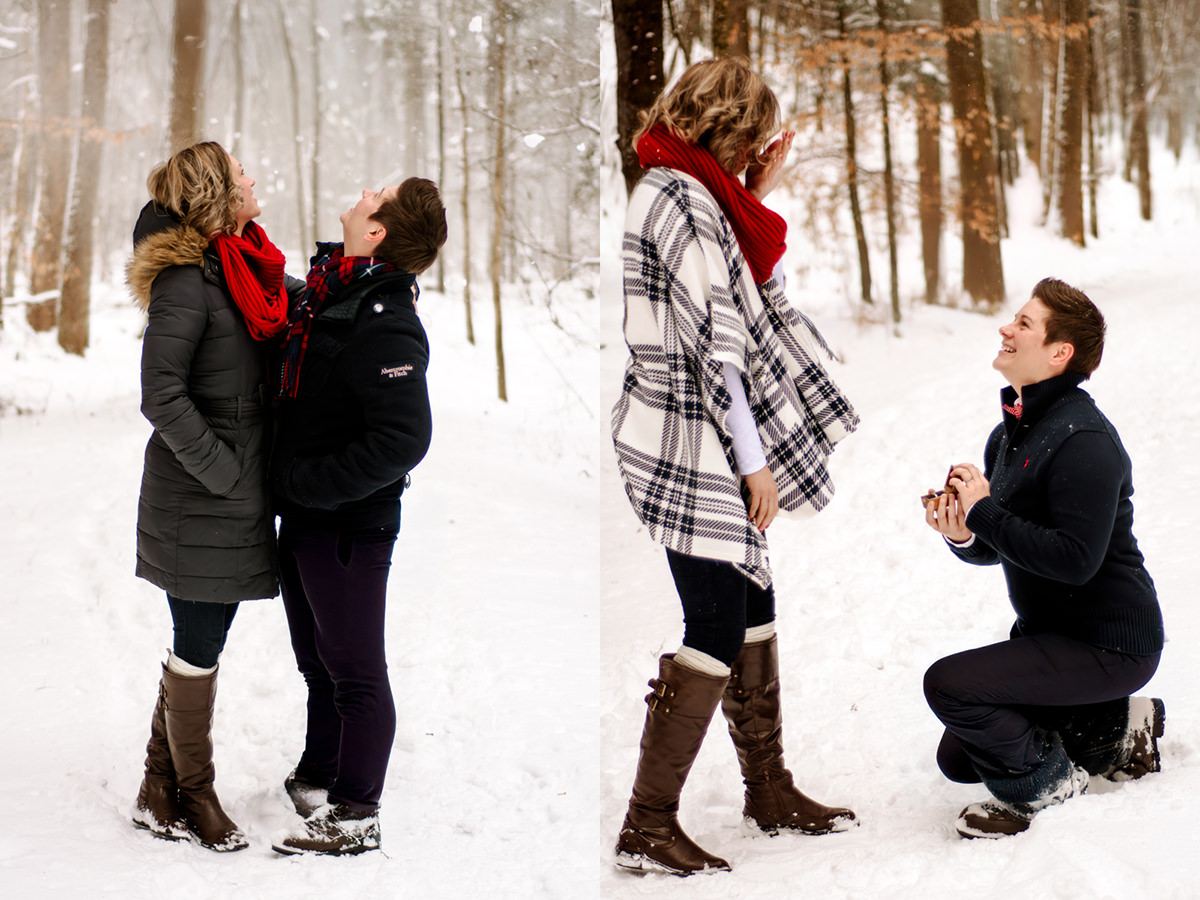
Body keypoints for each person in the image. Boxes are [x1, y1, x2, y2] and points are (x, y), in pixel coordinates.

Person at [610, 58, 861, 876]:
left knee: (752, 599)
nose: (755, 143)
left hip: (702, 430)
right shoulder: (677, 198)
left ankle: (768, 789)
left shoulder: (697, 188)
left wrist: (751, 184)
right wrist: (755, 467)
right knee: (714, 619)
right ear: (725, 127)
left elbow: (747, 282)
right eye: (749, 132)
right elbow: (721, 350)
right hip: (689, 437)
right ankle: (647, 825)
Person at [922, 278, 1166, 839]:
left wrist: (985, 511)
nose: (1007, 329)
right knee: (959, 759)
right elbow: (1004, 543)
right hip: (1049, 635)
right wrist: (964, 533)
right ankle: (1120, 726)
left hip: (1110, 643)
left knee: (951, 688)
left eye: (1024, 324)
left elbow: (1075, 560)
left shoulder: (1085, 440)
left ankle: (1047, 788)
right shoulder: (1010, 434)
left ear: (1060, 353)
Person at [127, 141, 299, 850]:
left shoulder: (238, 268)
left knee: (202, 641)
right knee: (198, 643)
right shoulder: (186, 282)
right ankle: (193, 794)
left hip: (232, 488)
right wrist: (226, 473)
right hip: (200, 492)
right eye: (240, 175)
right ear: (215, 197)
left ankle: (155, 787)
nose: (254, 179)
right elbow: (160, 393)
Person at [268, 177, 447, 856]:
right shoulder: (332, 292)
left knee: (355, 669)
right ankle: (320, 774)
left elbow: (404, 439)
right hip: (306, 515)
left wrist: (313, 484)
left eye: (379, 194)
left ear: (376, 232)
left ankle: (356, 814)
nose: (364, 189)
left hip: (346, 522)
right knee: (318, 661)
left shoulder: (387, 319)